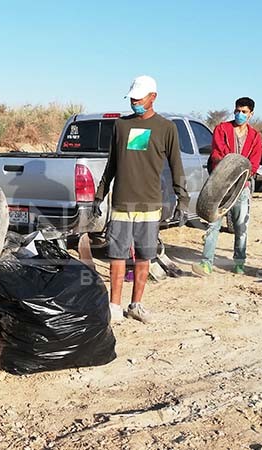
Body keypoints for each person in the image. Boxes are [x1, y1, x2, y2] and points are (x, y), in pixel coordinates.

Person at [93, 75, 189, 324]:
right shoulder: (121, 126)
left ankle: (136, 304)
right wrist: (99, 195)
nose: (134, 101)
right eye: (132, 98)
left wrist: (183, 199)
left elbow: (176, 165)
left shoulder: (166, 128)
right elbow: (111, 164)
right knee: (117, 256)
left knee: (144, 257)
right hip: (122, 203)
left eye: (139, 98)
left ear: (153, 97)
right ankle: (114, 307)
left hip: (149, 205)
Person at [193, 97, 262, 276]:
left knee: (241, 227)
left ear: (251, 114)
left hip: (242, 186)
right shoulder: (222, 129)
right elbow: (218, 152)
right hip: (219, 184)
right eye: (238, 111)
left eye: (244, 112)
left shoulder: (255, 137)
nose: (240, 114)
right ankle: (206, 263)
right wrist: (231, 166)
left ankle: (239, 262)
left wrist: (242, 172)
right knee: (213, 223)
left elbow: (254, 163)